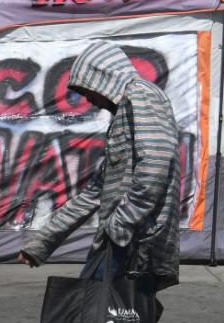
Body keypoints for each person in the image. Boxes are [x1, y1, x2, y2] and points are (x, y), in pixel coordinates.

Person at [19, 42, 181, 317]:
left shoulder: (141, 95)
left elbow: (156, 163)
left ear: (102, 76)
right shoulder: (125, 110)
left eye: (86, 90)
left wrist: (121, 223)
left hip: (134, 243)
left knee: (95, 311)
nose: (88, 99)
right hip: (121, 240)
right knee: (96, 311)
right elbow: (95, 191)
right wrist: (43, 242)